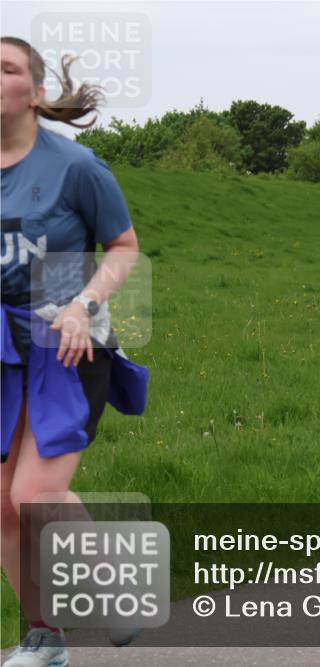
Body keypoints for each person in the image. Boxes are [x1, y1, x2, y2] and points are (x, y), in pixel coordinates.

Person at [1, 37, 148, 667]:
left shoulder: (77, 166)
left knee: (34, 497)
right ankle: (45, 637)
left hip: (67, 342)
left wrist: (81, 306)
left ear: (34, 93)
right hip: (2, 350)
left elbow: (123, 246)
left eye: (5, 69)